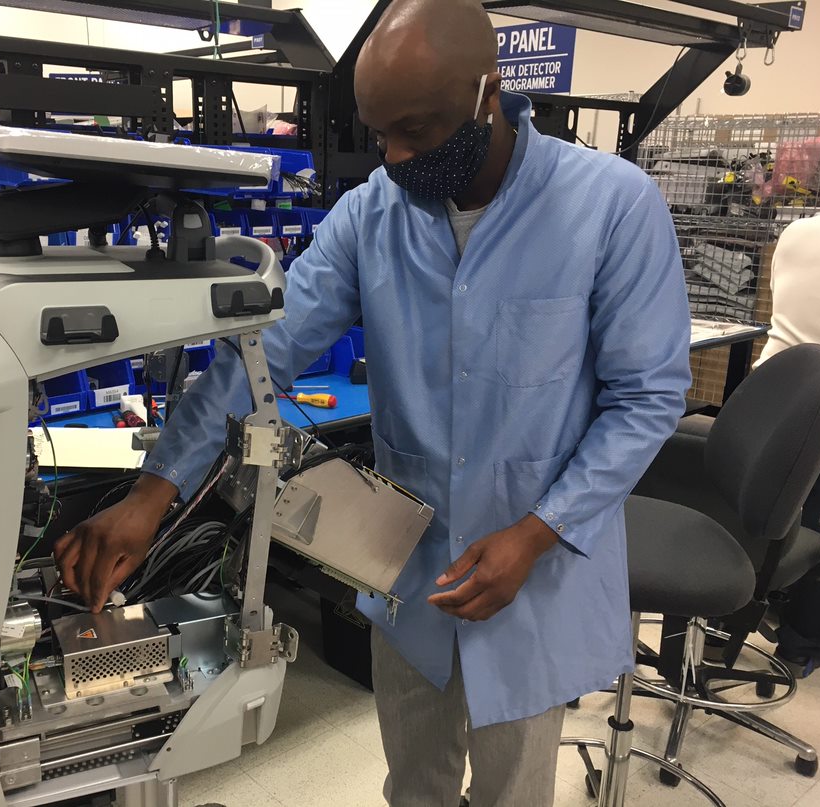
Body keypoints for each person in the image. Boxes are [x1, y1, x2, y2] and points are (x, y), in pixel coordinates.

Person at [54, 0, 692, 804]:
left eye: (417, 131)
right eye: (377, 132)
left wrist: (538, 533)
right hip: (410, 567)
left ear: (484, 94)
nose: (392, 156)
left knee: (514, 791)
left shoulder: (611, 207)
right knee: (414, 785)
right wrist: (153, 491)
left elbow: (647, 398)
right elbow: (261, 357)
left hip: (534, 574)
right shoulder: (369, 217)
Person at [755, 212, 820, 676]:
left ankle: (737, 611)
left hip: (770, 396)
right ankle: (804, 642)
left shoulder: (798, 232)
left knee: (766, 502)